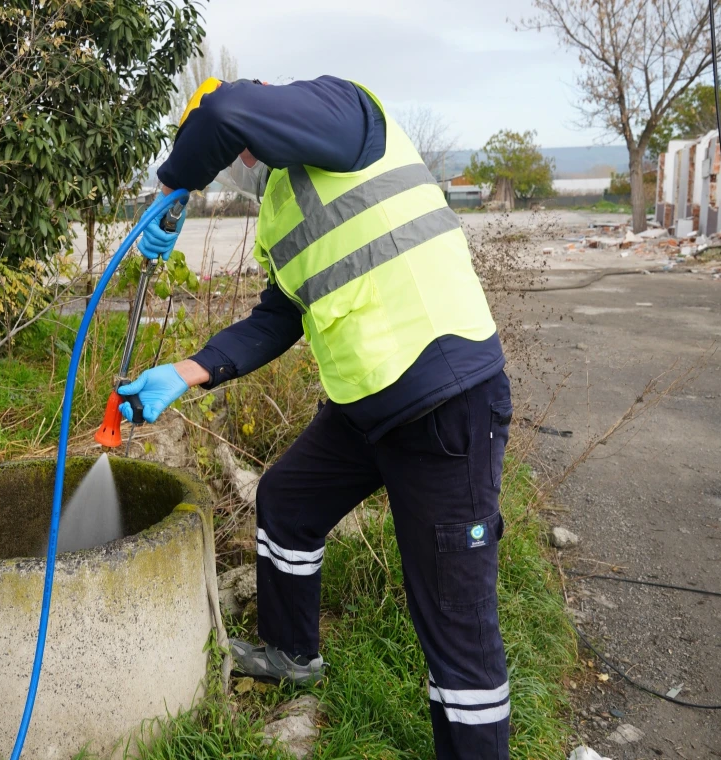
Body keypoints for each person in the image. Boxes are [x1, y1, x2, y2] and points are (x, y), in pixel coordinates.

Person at [120, 77, 513, 760]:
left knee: (455, 629)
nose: (241, 161)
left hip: (446, 402)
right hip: (365, 409)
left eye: (230, 150)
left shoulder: (344, 115)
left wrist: (174, 188)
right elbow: (279, 317)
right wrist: (187, 372)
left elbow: (222, 110)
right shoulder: (279, 208)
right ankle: (292, 652)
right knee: (287, 501)